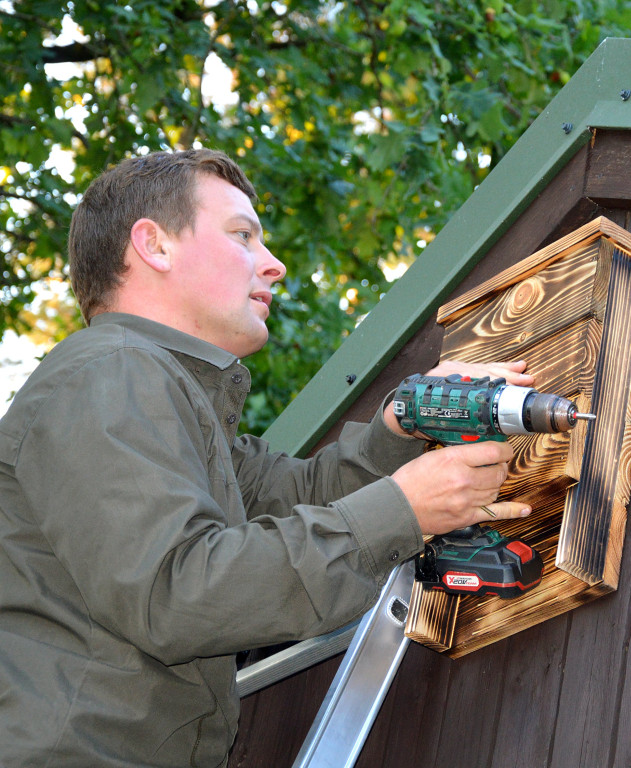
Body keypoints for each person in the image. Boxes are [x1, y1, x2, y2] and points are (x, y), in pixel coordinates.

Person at [0, 149, 533, 767]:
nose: (274, 265)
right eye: (243, 235)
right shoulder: (109, 373)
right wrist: (405, 510)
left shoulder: (166, 398)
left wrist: (404, 423)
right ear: (155, 246)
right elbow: (178, 593)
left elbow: (302, 495)